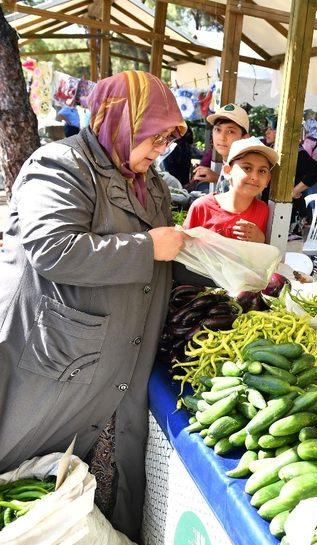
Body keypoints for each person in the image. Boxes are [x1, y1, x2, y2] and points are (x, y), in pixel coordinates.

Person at [0, 71, 187, 540]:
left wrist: (215, 257)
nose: (159, 150)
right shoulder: (62, 164)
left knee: (102, 504)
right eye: (153, 136)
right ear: (117, 119)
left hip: (119, 362)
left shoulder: (153, 184)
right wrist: (147, 248)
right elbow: (53, 248)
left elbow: (166, 259)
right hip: (59, 360)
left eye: (167, 139)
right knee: (30, 491)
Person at [184, 137, 277, 242]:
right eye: (247, 168)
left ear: (268, 179)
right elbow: (185, 245)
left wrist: (260, 238)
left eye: (262, 171)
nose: (254, 177)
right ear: (228, 171)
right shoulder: (201, 207)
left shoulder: (263, 211)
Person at [259, 117, 317, 238]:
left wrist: (295, 191)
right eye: (267, 128)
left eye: (271, 129)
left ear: (282, 131)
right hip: (272, 206)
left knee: (288, 248)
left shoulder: (294, 152)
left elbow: (316, 171)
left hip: (289, 210)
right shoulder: (273, 149)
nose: (266, 132)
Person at [191, 103, 249, 192]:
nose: (222, 137)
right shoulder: (228, 162)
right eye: (218, 129)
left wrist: (216, 178)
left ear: (245, 138)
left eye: (230, 131)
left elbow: (243, 196)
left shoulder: (247, 167)